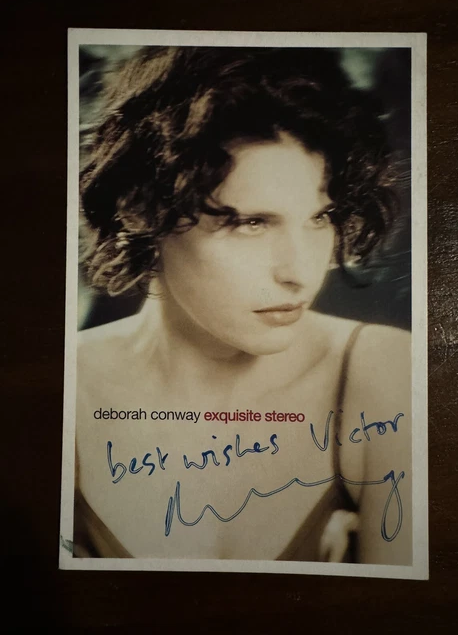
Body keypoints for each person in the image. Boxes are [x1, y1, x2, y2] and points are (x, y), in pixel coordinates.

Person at [74, 46, 411, 564]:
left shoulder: (380, 372)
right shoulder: (66, 384)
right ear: (141, 210)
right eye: (252, 223)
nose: (300, 272)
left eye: (320, 218)